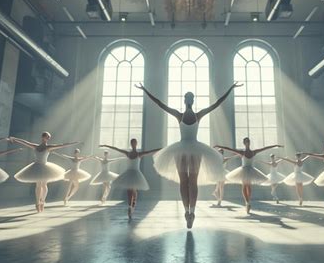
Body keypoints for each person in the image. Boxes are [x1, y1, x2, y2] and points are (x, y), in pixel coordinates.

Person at [136, 82, 242, 228]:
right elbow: (160, 104)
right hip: (181, 149)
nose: (189, 99)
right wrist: (145, 90)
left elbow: (217, 103)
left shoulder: (199, 114)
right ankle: (187, 212)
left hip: (194, 148)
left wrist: (230, 88)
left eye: (191, 97)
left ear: (193, 101)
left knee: (192, 181)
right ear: (185, 100)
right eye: (188, 97)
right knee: (183, 181)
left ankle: (192, 211)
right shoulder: (178, 115)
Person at [11, 132, 79, 212]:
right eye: (44, 136)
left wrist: (73, 143)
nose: (44, 138)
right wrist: (15, 139)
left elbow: (61, 145)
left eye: (46, 137)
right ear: (42, 137)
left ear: (48, 139)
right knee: (38, 185)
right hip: (36, 166)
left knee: (44, 184)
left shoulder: (48, 147)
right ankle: (37, 203)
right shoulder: (36, 146)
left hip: (45, 167)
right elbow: (25, 142)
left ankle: (42, 201)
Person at [215, 138, 282, 213]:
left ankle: (248, 202)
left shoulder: (253, 152)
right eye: (246, 142)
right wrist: (219, 146)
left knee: (248, 186)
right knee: (244, 186)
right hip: (244, 170)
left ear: (249, 143)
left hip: (250, 170)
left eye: (248, 141)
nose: (248, 143)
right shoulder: (242, 152)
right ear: (244, 143)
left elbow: (264, 148)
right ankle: (247, 202)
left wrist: (275, 145)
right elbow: (230, 149)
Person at [100, 138, 160, 220]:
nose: (133, 144)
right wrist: (106, 145)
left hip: (136, 173)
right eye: (132, 143)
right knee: (129, 190)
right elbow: (117, 149)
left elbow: (150, 152)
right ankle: (130, 206)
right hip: (128, 173)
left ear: (136, 144)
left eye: (134, 143)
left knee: (134, 190)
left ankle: (133, 204)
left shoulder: (139, 154)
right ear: (131, 144)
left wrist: (162, 149)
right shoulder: (127, 153)